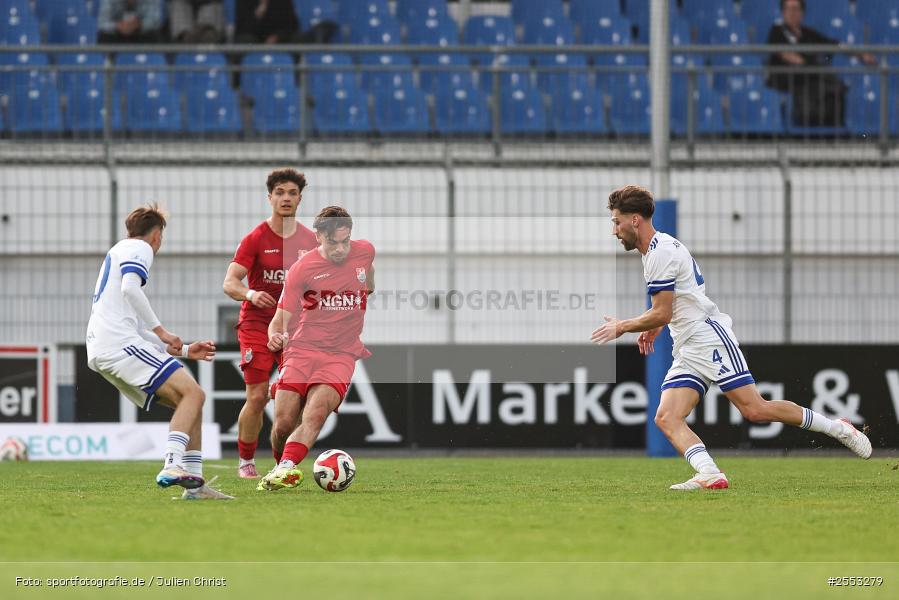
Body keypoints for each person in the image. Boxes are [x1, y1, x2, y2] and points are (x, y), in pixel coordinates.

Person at [591, 185, 872, 490]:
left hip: (708, 337)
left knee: (755, 409)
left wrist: (624, 326)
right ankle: (709, 473)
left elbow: (662, 311)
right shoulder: (657, 249)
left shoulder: (660, 253)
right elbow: (676, 303)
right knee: (667, 417)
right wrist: (655, 325)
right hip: (688, 343)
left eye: (616, 222)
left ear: (634, 220)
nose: (614, 231)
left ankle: (838, 428)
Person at [86, 204, 232, 500]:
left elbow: (132, 323)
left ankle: (196, 487)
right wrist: (162, 331)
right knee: (194, 394)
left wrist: (186, 349)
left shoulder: (119, 251)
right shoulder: (139, 248)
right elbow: (131, 289)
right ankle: (171, 465)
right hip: (117, 343)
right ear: (156, 235)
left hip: (105, 345)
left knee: (189, 401)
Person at [257, 206, 375, 491]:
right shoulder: (302, 269)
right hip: (302, 350)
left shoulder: (365, 251)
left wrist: (366, 288)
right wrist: (275, 337)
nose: (341, 249)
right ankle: (278, 466)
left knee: (315, 414)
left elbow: (368, 277)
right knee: (283, 425)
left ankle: (286, 467)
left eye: (345, 241)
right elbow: (279, 321)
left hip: (341, 354)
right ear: (319, 236)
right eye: (333, 242)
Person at [222, 169, 318, 479]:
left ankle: (283, 464)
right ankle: (246, 461)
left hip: (295, 329)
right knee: (257, 395)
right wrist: (250, 293)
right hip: (257, 325)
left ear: (300, 199)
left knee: (295, 402)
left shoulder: (310, 241)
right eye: (280, 192)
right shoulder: (256, 239)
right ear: (270, 197)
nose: (286, 198)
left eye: (292, 193)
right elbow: (230, 282)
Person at [765, 0, 876, 128]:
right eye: (788, 9)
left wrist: (860, 54)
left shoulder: (808, 33)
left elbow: (833, 44)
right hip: (787, 79)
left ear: (802, 12)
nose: (792, 13)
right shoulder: (776, 31)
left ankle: (835, 129)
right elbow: (787, 55)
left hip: (810, 77)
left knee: (833, 88)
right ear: (783, 13)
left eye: (796, 9)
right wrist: (810, 65)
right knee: (825, 82)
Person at [234, 0, 336, 44]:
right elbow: (242, 29)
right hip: (255, 42)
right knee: (244, 40)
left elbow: (292, 25)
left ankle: (294, 79)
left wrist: (278, 37)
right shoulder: (244, 1)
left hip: (280, 41)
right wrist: (260, 11)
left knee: (297, 39)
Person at [98, 0, 163, 44]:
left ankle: (149, 58)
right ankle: (108, 59)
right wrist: (118, 25)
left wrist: (138, 24)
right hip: (116, 33)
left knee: (153, 33)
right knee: (104, 35)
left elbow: (155, 20)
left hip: (141, 32)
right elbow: (102, 22)